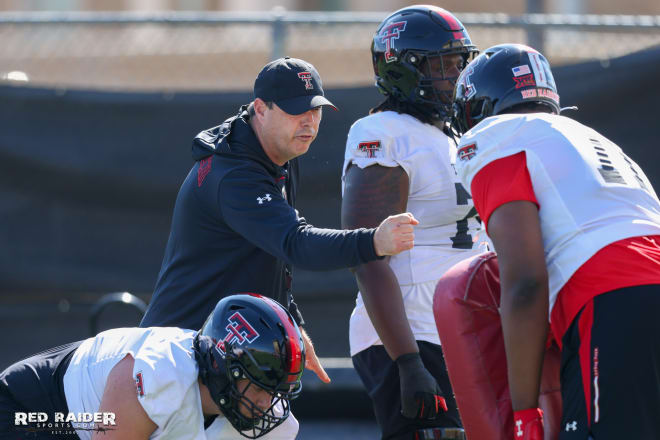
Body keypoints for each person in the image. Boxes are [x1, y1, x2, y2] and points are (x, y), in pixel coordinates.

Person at [139, 57, 418, 385]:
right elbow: (296, 243)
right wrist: (373, 242)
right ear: (260, 108)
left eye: (315, 110)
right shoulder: (235, 174)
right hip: (177, 355)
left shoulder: (277, 153)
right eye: (295, 110)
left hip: (221, 349)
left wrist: (293, 323)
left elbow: (276, 255)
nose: (309, 123)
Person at [452, 43, 660, 439]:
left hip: (615, 297)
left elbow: (526, 279)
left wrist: (524, 411)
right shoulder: (588, 138)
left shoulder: (497, 136)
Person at [340, 6, 486, 439]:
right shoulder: (383, 131)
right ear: (403, 70)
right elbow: (366, 255)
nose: (456, 76)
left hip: (460, 326)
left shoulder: (454, 134)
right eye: (443, 65)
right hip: (412, 331)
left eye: (461, 63)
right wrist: (406, 360)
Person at [0, 293, 306, 440]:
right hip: (40, 410)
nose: (267, 404)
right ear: (222, 367)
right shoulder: (162, 375)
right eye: (259, 387)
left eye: (276, 391)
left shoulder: (276, 424)